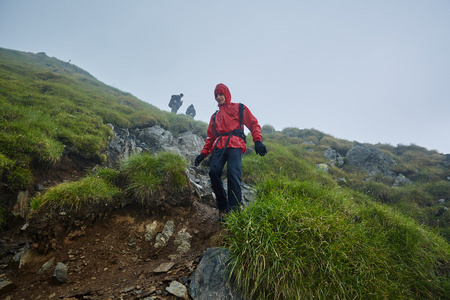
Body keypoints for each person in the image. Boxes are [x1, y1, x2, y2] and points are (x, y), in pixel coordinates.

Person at [194, 83, 267, 220]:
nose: (218, 97)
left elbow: (253, 123)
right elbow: (211, 137)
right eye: (216, 95)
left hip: (235, 145)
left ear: (226, 94)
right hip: (219, 146)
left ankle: (233, 211)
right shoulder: (215, 116)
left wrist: (257, 140)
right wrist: (203, 154)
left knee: (233, 173)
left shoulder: (239, 108)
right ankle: (223, 206)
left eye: (221, 94)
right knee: (213, 172)